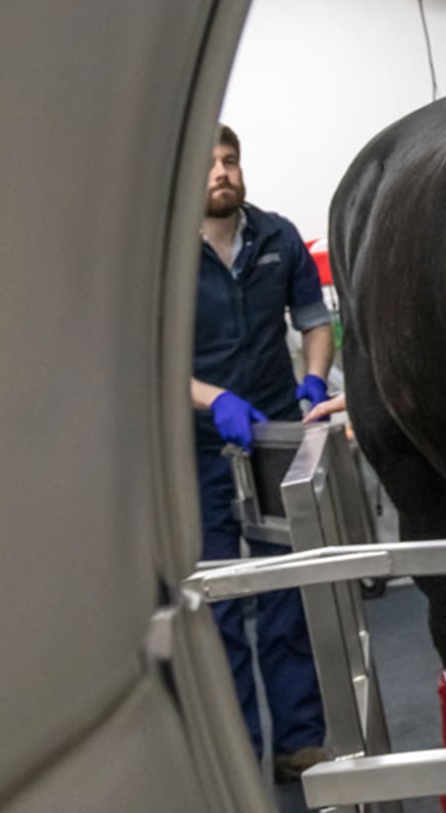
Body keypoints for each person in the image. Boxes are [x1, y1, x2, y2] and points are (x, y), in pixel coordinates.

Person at [190, 124, 329, 781]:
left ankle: (298, 740)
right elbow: (145, 358)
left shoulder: (276, 236)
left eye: (229, 161)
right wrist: (211, 399)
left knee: (286, 593)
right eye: (210, 164)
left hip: (274, 438)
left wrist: (312, 380)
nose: (222, 173)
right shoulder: (161, 259)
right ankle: (239, 756)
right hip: (198, 450)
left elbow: (314, 321)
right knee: (219, 604)